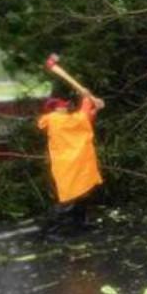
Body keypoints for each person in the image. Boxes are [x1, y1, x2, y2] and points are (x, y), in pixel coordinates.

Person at [37, 90, 105, 236]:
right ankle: (49, 231)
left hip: (77, 164)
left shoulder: (64, 119)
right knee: (68, 199)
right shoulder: (55, 119)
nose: (66, 107)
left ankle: (80, 224)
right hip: (67, 166)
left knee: (83, 195)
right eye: (63, 106)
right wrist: (87, 100)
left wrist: (95, 108)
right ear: (55, 109)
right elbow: (80, 119)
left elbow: (83, 122)